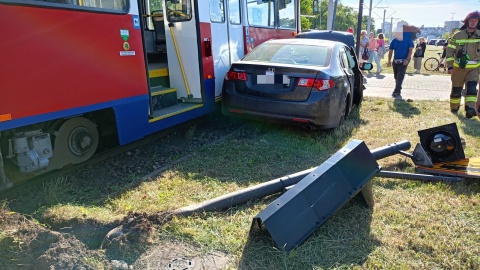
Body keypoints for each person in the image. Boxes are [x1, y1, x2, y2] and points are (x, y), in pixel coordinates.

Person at [446, 11, 480, 118]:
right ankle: (454, 108)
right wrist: (450, 66)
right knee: (456, 89)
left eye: (476, 21)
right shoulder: (458, 35)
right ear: (467, 22)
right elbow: (450, 51)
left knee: (472, 89)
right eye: (471, 20)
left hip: (474, 69)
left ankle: (470, 109)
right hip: (458, 69)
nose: (473, 23)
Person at [387, 28, 414, 97]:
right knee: (396, 76)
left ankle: (397, 91)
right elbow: (390, 51)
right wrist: (389, 61)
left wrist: (407, 59)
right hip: (396, 60)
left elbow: (410, 50)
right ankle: (398, 86)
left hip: (404, 61)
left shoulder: (408, 40)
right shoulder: (394, 41)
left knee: (400, 76)